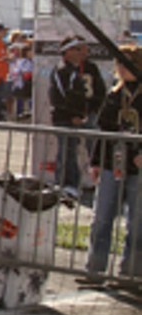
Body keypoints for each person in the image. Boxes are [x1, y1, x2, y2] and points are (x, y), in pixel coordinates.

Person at [83, 44, 142, 283]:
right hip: (112, 163)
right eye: (119, 63)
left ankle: (132, 272)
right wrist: (96, 161)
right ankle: (94, 270)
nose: (121, 68)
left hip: (137, 165)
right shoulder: (114, 94)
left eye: (127, 64)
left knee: (137, 221)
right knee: (102, 217)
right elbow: (103, 130)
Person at [50, 37, 105, 196]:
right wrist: (73, 115)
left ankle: (100, 182)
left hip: (89, 114)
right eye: (77, 49)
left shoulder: (91, 67)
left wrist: (92, 110)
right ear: (66, 52)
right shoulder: (61, 70)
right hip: (66, 117)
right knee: (67, 149)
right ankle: (67, 184)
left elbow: (99, 90)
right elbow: (59, 96)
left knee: (95, 148)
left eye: (83, 48)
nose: (82, 52)